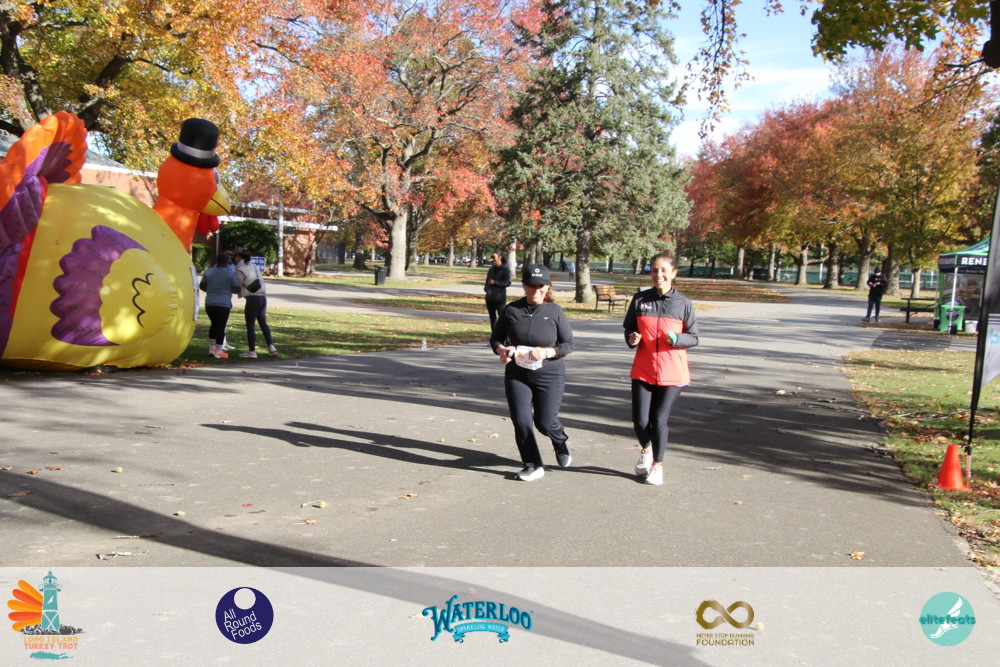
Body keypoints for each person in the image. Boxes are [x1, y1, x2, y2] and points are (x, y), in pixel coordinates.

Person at [491, 264, 573, 481]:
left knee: (545, 422)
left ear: (547, 287)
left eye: (540, 285)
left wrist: (547, 352)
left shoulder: (555, 311)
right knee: (521, 421)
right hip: (517, 374)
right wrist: (502, 350)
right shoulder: (511, 310)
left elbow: (568, 344)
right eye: (531, 285)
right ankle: (532, 464)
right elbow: (496, 339)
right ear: (523, 286)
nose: (536, 289)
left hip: (550, 375)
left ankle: (559, 439)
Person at [623, 252, 699, 486]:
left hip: (672, 372)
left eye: (664, 270)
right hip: (644, 369)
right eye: (655, 270)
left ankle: (657, 466)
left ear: (673, 273)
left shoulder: (683, 303)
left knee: (658, 419)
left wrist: (677, 338)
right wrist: (632, 338)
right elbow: (629, 329)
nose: (659, 275)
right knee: (640, 421)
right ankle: (646, 450)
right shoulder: (640, 299)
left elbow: (694, 337)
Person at [235, 250, 277, 358]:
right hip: (262, 297)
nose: (234, 259)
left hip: (252, 298)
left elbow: (238, 284)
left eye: (235, 257)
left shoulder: (240, 269)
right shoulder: (253, 266)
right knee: (263, 323)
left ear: (239, 257)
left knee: (250, 325)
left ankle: (252, 351)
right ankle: (271, 346)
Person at [199, 252, 239, 358]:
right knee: (221, 326)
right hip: (223, 303)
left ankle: (211, 348)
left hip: (210, 302)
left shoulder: (208, 272)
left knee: (214, 324)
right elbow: (236, 289)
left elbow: (202, 286)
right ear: (226, 262)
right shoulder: (230, 273)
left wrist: (212, 289)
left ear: (216, 261)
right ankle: (219, 350)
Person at [484, 251, 512, 330]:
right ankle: (494, 334)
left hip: (499, 298)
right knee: (492, 318)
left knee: (502, 317)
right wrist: (486, 290)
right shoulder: (491, 269)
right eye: (492, 257)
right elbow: (487, 281)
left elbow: (508, 282)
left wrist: (496, 282)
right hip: (490, 298)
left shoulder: (505, 269)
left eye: (494, 257)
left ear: (500, 257)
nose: (492, 259)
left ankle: (504, 334)